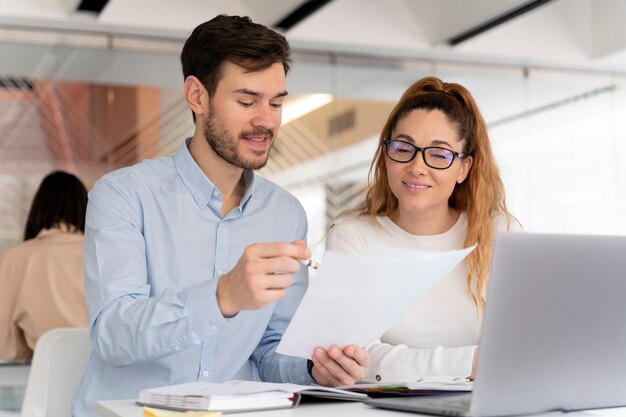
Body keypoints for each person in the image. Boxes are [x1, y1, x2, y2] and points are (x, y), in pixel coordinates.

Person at [73, 15, 369, 417]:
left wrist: (314, 367)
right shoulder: (123, 195)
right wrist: (221, 296)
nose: (266, 120)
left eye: (277, 102)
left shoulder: (285, 213)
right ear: (197, 96)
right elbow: (114, 334)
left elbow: (271, 349)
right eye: (247, 101)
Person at [326, 76, 522, 383]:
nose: (417, 166)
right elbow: (357, 360)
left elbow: (522, 344)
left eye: (439, 154)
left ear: (464, 168)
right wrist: (471, 362)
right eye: (404, 147)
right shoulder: (353, 236)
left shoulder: (500, 231)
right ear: (386, 154)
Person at [0, 171, 89, 363]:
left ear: (37, 209)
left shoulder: (14, 258)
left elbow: (6, 347)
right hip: (110, 379)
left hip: (45, 378)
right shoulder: (108, 254)